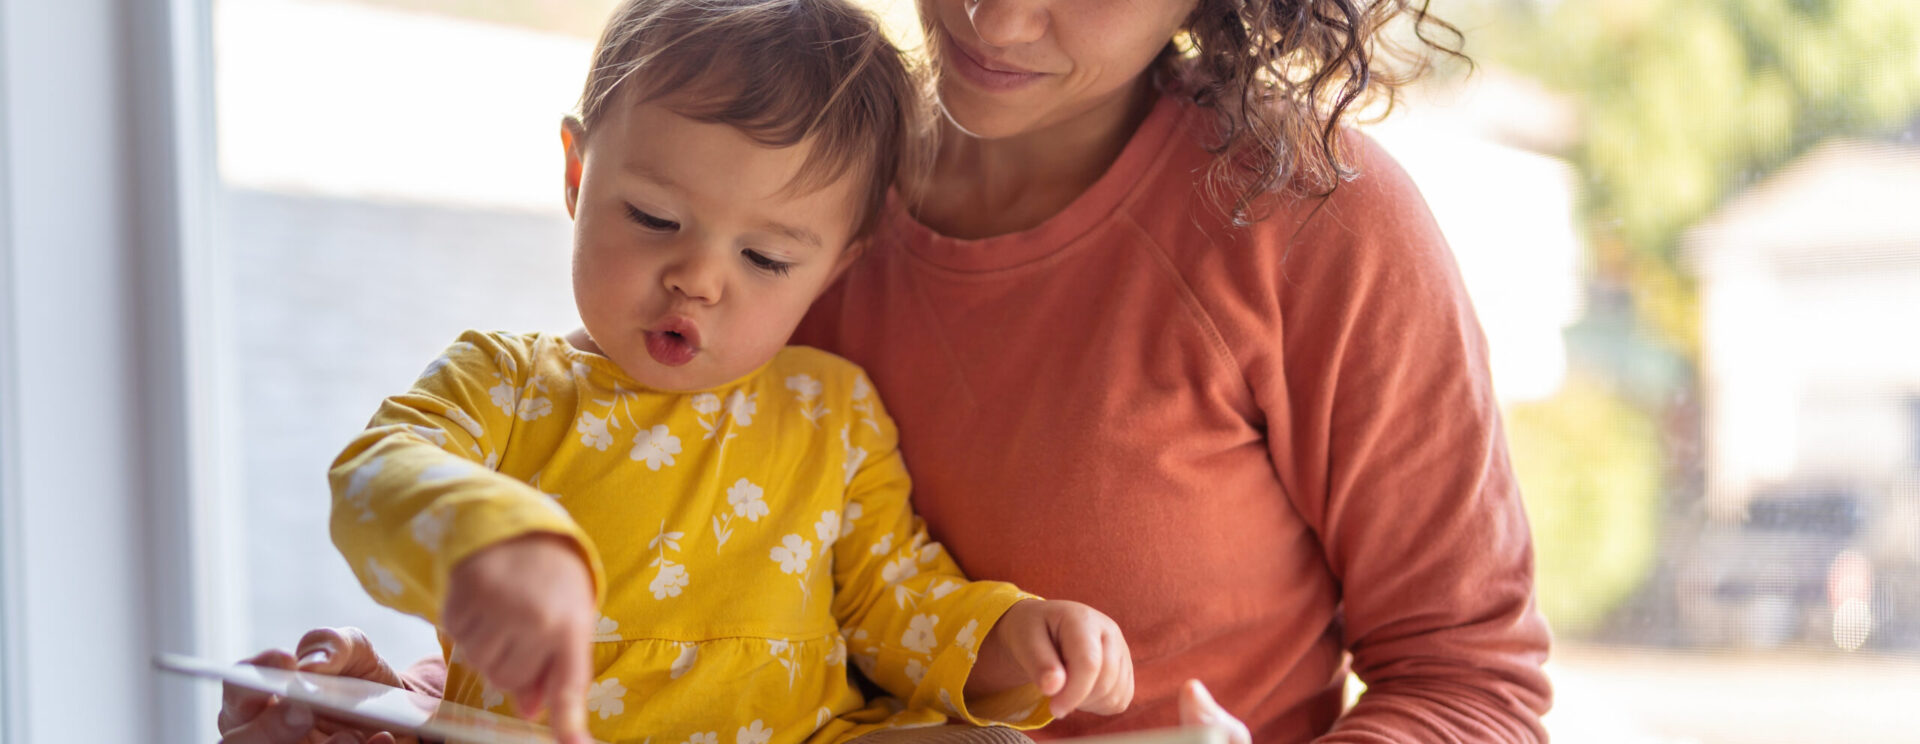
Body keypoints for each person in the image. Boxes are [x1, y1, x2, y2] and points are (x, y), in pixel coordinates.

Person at [226, 0, 1554, 741]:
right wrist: (395, 706)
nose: (992, 11)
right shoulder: (782, 186)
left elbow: (1474, 685)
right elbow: (677, 586)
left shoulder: (1316, 224)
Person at [218, 1, 1137, 743]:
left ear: (838, 265)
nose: (697, 279)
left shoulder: (833, 411)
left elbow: (894, 600)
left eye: (767, 260)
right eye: (654, 217)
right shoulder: (503, 385)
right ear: (578, 175)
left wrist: (1010, 643)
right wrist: (489, 542)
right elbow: (375, 475)